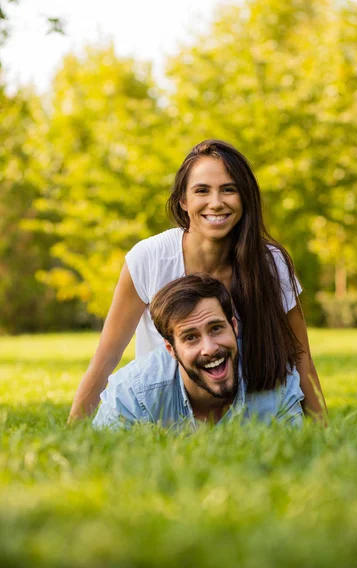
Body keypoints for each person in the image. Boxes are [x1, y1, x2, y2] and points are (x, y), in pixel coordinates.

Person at [70, 139, 326, 422]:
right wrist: (74, 433)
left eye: (229, 190)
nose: (216, 203)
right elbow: (106, 358)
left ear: (245, 198)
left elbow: (301, 359)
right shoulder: (149, 258)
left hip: (243, 412)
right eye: (202, 191)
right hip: (167, 411)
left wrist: (323, 432)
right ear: (183, 200)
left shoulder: (271, 263)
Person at [93, 275, 304, 429]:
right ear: (171, 349)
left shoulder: (277, 381)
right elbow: (102, 467)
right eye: (190, 337)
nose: (210, 348)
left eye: (216, 328)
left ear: (233, 326)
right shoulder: (133, 394)